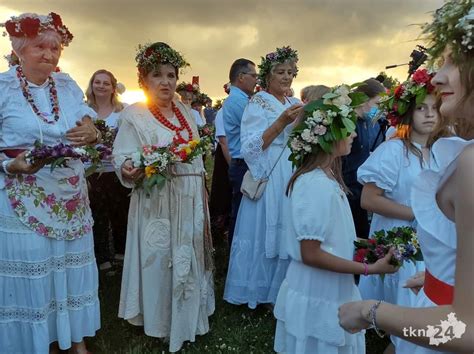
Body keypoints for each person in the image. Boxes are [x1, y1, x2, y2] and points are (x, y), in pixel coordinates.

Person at [339, 2, 474, 352]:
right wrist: (438, 280)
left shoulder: (465, 159)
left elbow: (465, 330)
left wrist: (371, 311)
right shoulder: (397, 151)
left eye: (451, 61)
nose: (438, 75)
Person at [0, 12, 101, 354]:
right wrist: (9, 164)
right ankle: (39, 341)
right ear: (19, 49)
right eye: (40, 47)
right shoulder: (4, 88)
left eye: (55, 47)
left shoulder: (68, 86)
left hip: (69, 195)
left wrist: (92, 130)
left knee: (70, 267)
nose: (49, 54)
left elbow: (89, 125)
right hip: (22, 193)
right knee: (36, 268)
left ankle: (74, 339)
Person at [274, 86, 398, 354]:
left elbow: (335, 238)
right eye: (348, 128)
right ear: (327, 135)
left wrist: (371, 249)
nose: (354, 133)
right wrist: (369, 270)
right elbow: (312, 254)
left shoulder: (326, 177)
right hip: (319, 290)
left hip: (331, 286)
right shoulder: (314, 185)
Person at [113, 42, 214, 352]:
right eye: (157, 75)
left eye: (171, 75)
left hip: (190, 195)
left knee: (188, 253)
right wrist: (128, 167)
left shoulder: (186, 111)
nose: (166, 82)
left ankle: (191, 313)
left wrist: (203, 191)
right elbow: (123, 155)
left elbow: (196, 156)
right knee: (160, 257)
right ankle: (160, 320)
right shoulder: (134, 114)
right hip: (156, 199)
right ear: (144, 80)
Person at [357, 69, 438, 352]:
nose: (429, 115)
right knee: (405, 312)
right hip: (398, 242)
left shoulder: (441, 152)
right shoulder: (394, 152)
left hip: (430, 243)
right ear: (407, 113)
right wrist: (416, 213)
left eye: (434, 108)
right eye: (421, 109)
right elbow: (368, 199)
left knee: (423, 311)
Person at [224, 46, 303, 308]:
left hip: (292, 171)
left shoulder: (294, 103)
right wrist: (280, 124)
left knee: (288, 227)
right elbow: (249, 147)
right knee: (266, 228)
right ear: (267, 76)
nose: (286, 77)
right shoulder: (257, 103)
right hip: (269, 172)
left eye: (291, 72)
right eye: (280, 72)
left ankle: (285, 288)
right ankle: (259, 290)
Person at [85, 69, 130, 270]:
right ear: (92, 85)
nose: (101, 86)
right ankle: (102, 259)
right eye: (97, 82)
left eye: (106, 83)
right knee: (97, 216)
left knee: (121, 213)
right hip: (92, 171)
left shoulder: (122, 111)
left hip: (116, 170)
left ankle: (121, 255)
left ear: (113, 88)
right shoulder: (84, 111)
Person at [342, 78, 386, 239]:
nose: (378, 109)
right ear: (364, 100)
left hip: (359, 188)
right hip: (348, 189)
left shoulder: (365, 122)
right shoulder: (350, 122)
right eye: (377, 104)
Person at [222, 58, 258, 247]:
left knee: (245, 210)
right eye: (253, 76)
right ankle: (236, 252)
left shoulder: (242, 99)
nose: (256, 80)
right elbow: (259, 129)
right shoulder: (237, 101)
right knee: (242, 211)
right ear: (241, 77)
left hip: (245, 162)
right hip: (243, 163)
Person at [209, 89, 232, 250]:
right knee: (222, 191)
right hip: (226, 156)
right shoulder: (223, 112)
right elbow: (223, 141)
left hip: (235, 153)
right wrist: (232, 164)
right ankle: (219, 228)